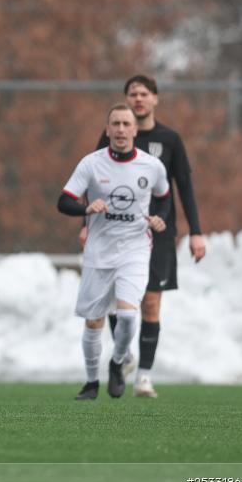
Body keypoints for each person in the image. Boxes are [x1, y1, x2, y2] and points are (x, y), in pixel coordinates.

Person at [81, 75, 206, 397]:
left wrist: (196, 231)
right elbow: (91, 182)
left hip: (157, 233)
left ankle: (144, 377)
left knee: (150, 303)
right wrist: (85, 223)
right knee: (116, 305)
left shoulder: (170, 139)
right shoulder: (111, 135)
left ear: (155, 99)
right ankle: (123, 356)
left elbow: (184, 187)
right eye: (132, 94)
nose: (138, 99)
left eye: (144, 94)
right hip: (113, 235)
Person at [58, 104, 170, 400]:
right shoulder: (91, 164)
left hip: (135, 248)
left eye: (126, 124)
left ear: (135, 130)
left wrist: (160, 218)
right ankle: (92, 382)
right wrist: (86, 208)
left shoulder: (152, 166)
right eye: (115, 124)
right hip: (99, 251)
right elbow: (64, 200)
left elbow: (163, 198)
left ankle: (118, 361)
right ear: (107, 130)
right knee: (93, 320)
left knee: (128, 315)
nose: (121, 129)